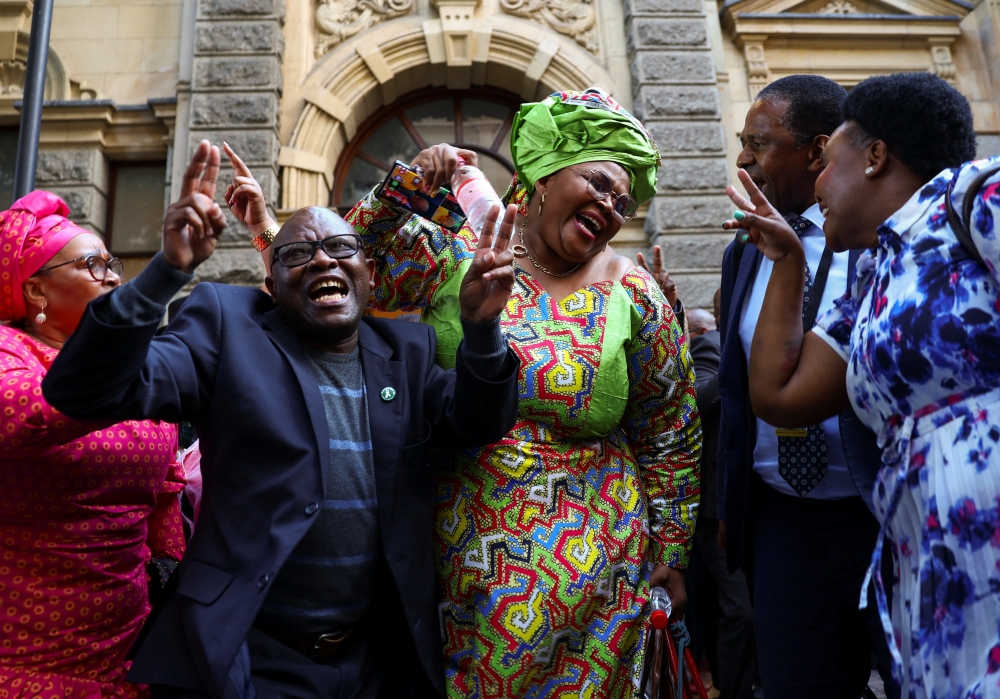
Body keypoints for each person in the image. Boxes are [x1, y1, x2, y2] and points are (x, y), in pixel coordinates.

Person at [228, 88, 701, 698]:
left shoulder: (636, 295)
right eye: (601, 183)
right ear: (545, 173)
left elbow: (671, 433)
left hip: (605, 588)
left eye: (624, 200)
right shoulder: (452, 255)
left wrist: (672, 551)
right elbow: (340, 268)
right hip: (456, 572)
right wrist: (407, 183)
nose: (611, 206)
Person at [42, 142, 522, 699]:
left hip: (374, 662)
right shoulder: (226, 327)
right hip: (247, 657)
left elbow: (479, 421)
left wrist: (482, 330)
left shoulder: (408, 352)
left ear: (368, 272)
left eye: (342, 247)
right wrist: (165, 273)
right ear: (272, 283)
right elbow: (85, 390)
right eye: (297, 253)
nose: (322, 260)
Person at [726, 71, 1000, 699]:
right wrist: (790, 259)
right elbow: (779, 396)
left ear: (875, 156)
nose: (818, 182)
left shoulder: (974, 201)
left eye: (829, 161)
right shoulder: (872, 278)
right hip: (927, 557)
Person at [715, 74, 893, 699]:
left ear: (817, 151)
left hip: (881, 518)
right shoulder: (743, 251)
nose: (743, 159)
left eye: (759, 143)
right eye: (743, 142)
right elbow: (738, 390)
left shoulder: (879, 241)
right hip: (782, 527)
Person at [0, 190, 186, 698]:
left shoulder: (136, 362)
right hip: (27, 653)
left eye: (112, 264)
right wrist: (162, 276)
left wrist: (173, 574)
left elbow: (166, 488)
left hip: (128, 647)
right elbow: (35, 417)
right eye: (91, 264)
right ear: (37, 291)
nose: (111, 275)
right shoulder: (8, 350)